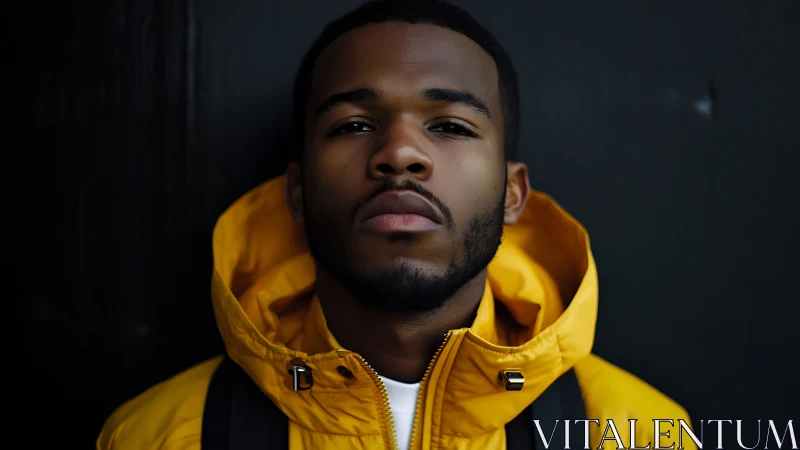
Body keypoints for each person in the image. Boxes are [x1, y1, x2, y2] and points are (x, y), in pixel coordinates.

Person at [97, 1, 695, 449]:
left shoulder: (644, 432)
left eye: (451, 126)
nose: (401, 153)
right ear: (296, 192)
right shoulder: (155, 437)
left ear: (513, 194)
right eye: (354, 125)